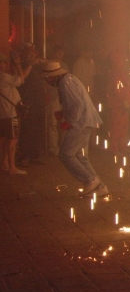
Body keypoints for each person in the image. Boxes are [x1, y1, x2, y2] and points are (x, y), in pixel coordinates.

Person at [44, 61, 107, 198]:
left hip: (81, 123)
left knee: (65, 154)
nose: (47, 81)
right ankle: (100, 187)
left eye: (47, 78)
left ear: (52, 77)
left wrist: (69, 121)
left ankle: (91, 180)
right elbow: (74, 103)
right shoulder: (67, 80)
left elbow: (77, 105)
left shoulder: (66, 82)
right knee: (80, 156)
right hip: (86, 121)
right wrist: (63, 114)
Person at [1, 53, 34, 175]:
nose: (4, 65)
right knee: (13, 140)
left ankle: (4, 163)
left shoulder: (4, 77)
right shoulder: (3, 77)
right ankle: (12, 167)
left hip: (4, 113)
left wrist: (15, 71)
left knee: (4, 139)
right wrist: (24, 66)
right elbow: (22, 79)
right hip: (10, 113)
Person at [16, 45, 45, 167]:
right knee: (26, 130)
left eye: (33, 54)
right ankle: (24, 156)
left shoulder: (38, 68)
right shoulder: (22, 67)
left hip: (38, 102)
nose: (31, 56)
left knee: (37, 129)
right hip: (27, 102)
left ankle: (34, 155)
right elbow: (22, 80)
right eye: (29, 54)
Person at [106, 52, 130, 155]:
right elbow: (117, 89)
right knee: (116, 127)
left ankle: (122, 147)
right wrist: (124, 101)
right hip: (118, 105)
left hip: (123, 105)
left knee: (123, 127)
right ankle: (114, 148)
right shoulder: (116, 72)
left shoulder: (121, 71)